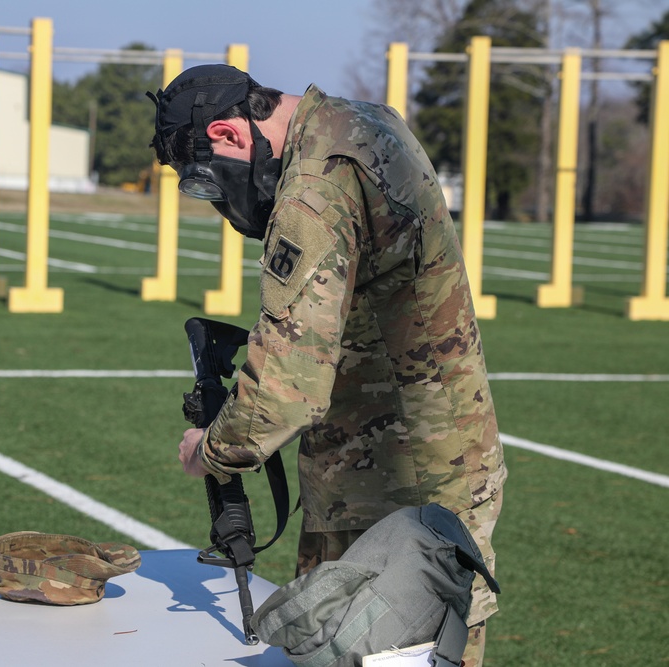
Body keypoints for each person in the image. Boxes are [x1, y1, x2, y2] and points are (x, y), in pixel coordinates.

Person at [149, 64, 507, 667]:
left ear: (229, 134)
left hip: (389, 486)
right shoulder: (363, 121)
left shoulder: (313, 188)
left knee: (363, 653)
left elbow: (286, 387)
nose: (222, 202)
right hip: (435, 461)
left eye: (209, 184)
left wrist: (208, 450)